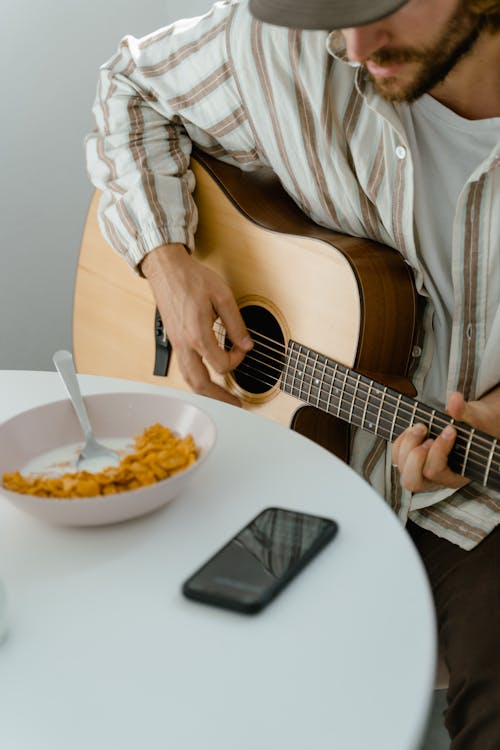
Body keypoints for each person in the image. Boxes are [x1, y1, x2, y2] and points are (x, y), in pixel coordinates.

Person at [85, 1, 500, 745]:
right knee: (151, 672)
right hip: (286, 471)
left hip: (471, 500)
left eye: (384, 5)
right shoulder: (291, 42)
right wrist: (167, 262)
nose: (353, 44)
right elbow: (130, 88)